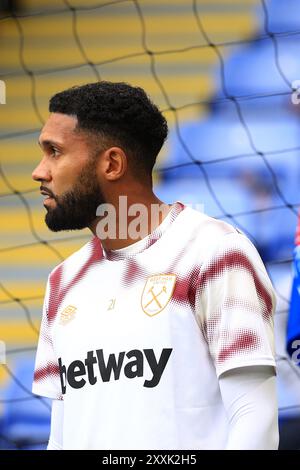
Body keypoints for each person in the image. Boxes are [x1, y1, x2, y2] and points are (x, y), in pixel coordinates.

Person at [31, 81, 279, 450]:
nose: (39, 171)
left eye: (54, 152)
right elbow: (61, 436)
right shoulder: (62, 281)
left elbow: (254, 419)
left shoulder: (215, 252)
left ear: (112, 163)